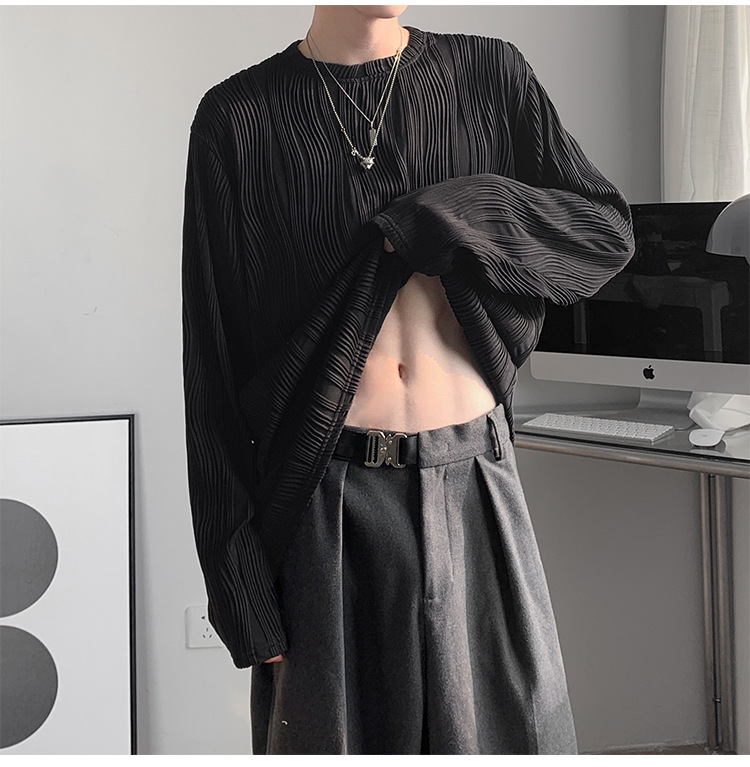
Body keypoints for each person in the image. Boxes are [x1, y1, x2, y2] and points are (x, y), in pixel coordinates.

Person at [182, 4, 635, 755]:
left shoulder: (489, 74)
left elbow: (602, 232)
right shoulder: (238, 118)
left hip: (475, 478)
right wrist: (241, 589)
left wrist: (456, 212)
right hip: (324, 499)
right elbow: (213, 368)